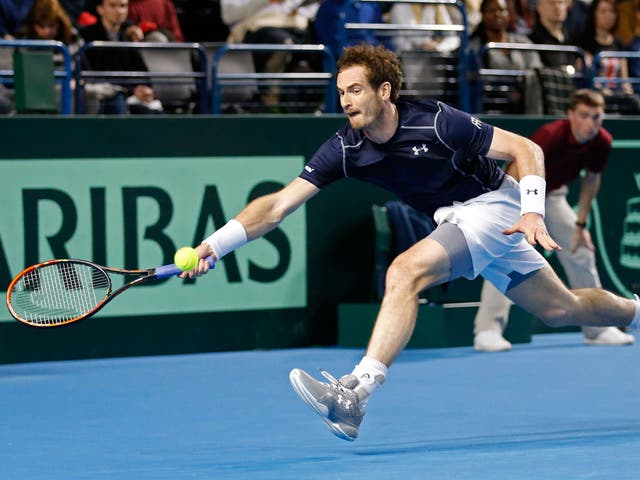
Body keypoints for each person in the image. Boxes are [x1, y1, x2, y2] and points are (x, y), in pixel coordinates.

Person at [181, 44, 640, 442]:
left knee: (404, 270)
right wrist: (214, 245)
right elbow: (279, 205)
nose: (345, 101)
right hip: (458, 218)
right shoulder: (344, 147)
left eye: (355, 90)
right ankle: (636, 311)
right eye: (341, 92)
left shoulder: (437, 121)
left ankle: (355, 393)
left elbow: (527, 150)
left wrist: (532, 210)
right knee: (561, 309)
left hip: (494, 204)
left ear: (384, 91)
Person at [473, 89, 635, 352]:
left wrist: (581, 225)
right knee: (506, 256)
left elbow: (592, 180)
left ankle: (597, 328)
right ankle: (487, 331)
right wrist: (520, 210)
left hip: (554, 197)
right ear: (571, 115)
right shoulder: (550, 136)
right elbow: (515, 168)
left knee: (581, 251)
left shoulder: (602, 141)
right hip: (518, 195)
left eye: (597, 117)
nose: (591, 124)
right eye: (584, 116)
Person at [79, 0, 163, 114]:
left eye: (123, 6)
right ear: (100, 9)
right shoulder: (87, 36)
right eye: (112, 6)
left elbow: (142, 72)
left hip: (131, 96)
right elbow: (92, 74)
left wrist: (144, 89)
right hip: (103, 95)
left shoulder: (130, 36)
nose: (119, 11)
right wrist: (132, 90)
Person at [469, 0, 544, 114]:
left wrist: (523, 80)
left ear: (508, 15)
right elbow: (472, 76)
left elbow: (536, 66)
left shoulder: (522, 42)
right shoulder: (474, 47)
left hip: (524, 100)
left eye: (502, 10)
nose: (497, 14)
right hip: (492, 105)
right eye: (492, 10)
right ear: (483, 15)